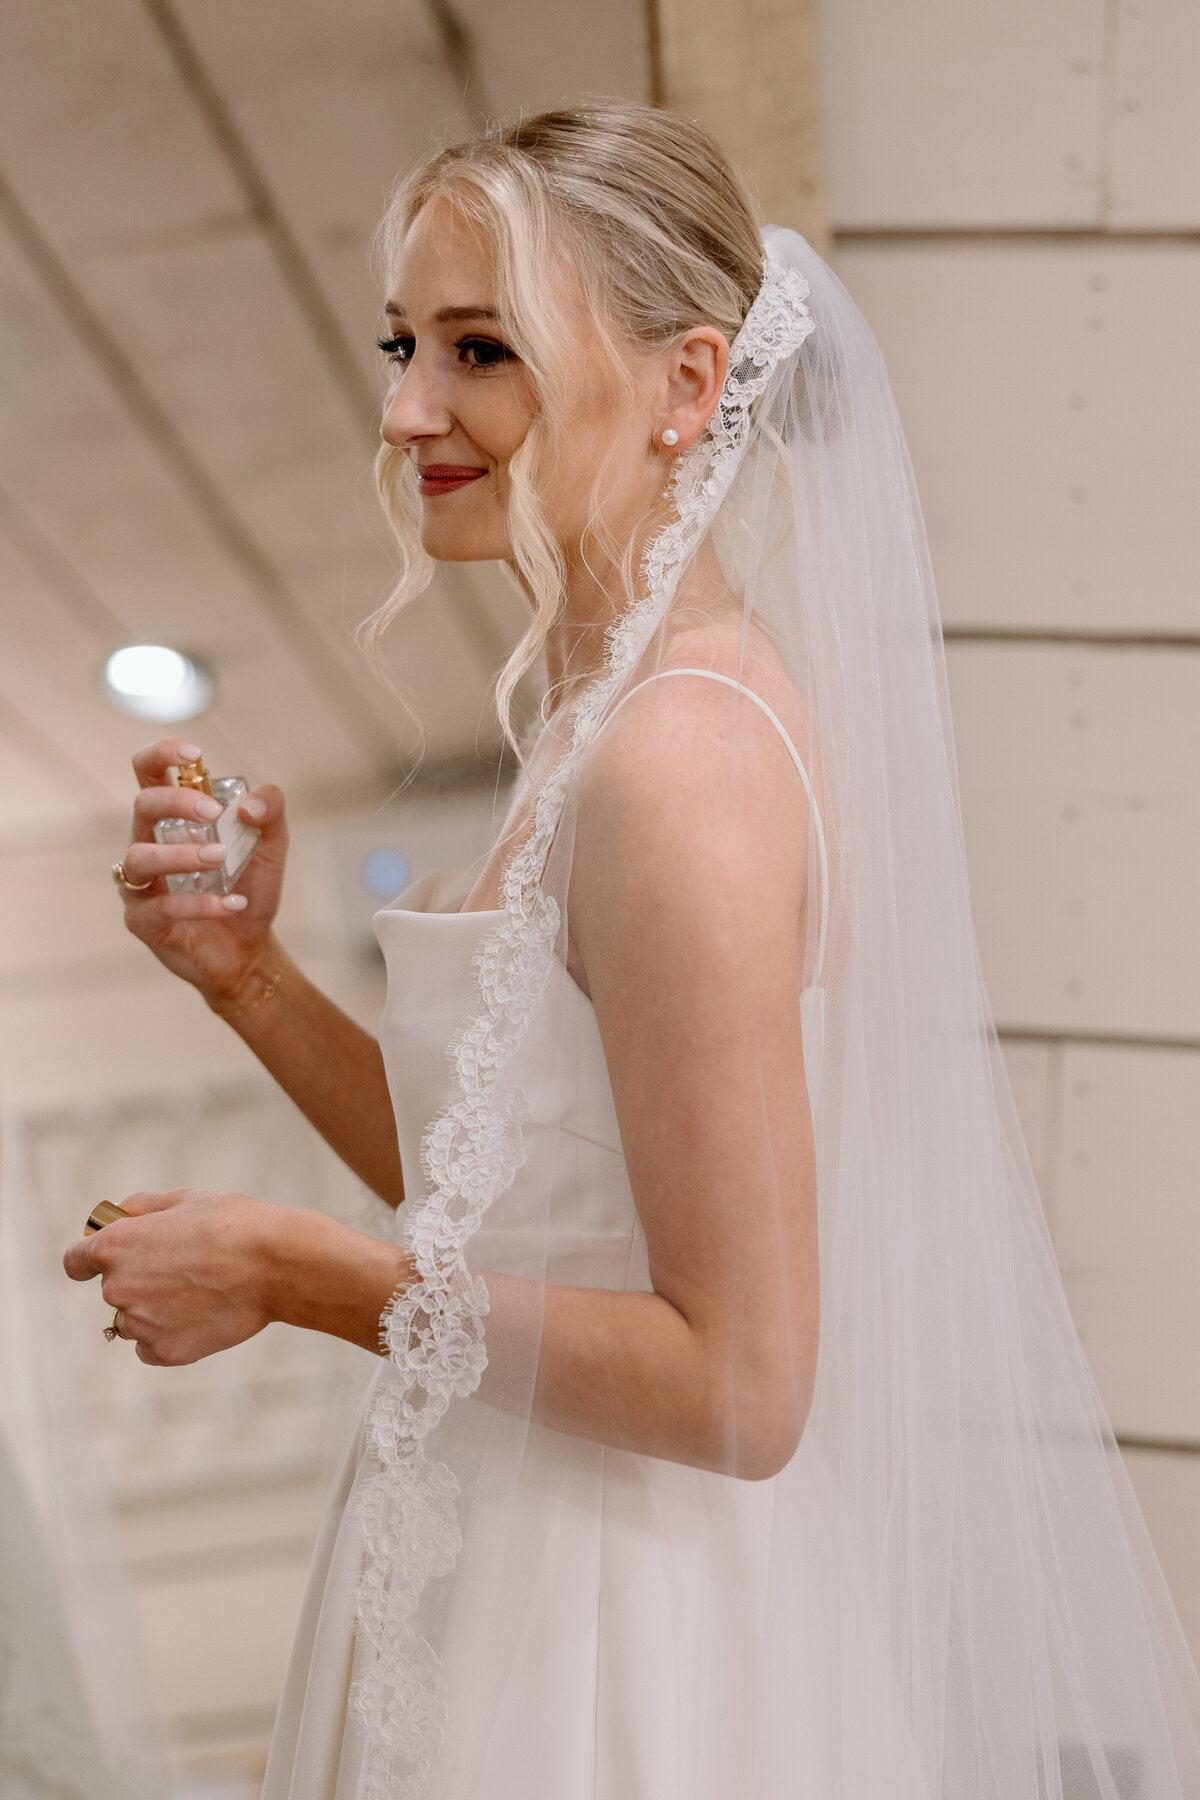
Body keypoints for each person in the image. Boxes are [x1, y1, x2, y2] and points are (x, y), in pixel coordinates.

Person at [66, 103, 1200, 1800]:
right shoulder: (615, 724)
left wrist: (306, 1278)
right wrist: (247, 974)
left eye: (481, 350)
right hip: (514, 1549)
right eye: (406, 344)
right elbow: (516, 1200)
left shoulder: (682, 764)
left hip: (620, 1638)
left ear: (687, 385)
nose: (406, 412)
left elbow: (742, 1386)